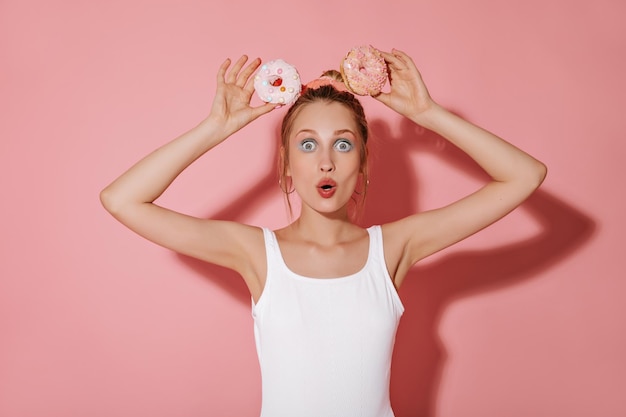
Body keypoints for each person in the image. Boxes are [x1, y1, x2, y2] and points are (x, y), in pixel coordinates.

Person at [100, 49, 547, 417]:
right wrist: (215, 128)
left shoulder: (392, 247)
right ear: (287, 164)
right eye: (308, 144)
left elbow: (524, 176)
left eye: (344, 143)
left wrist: (429, 114)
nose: (326, 162)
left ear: (362, 163)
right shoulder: (257, 252)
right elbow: (122, 200)